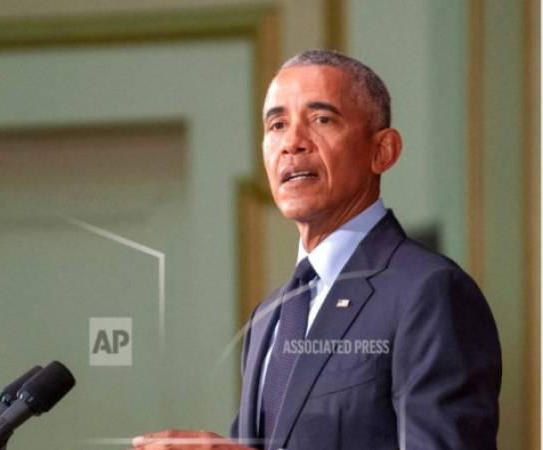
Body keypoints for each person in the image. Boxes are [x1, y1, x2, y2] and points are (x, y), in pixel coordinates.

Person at [130, 50, 502, 450]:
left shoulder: (428, 292)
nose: (292, 143)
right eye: (276, 124)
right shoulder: (268, 318)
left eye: (321, 119)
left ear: (383, 151)